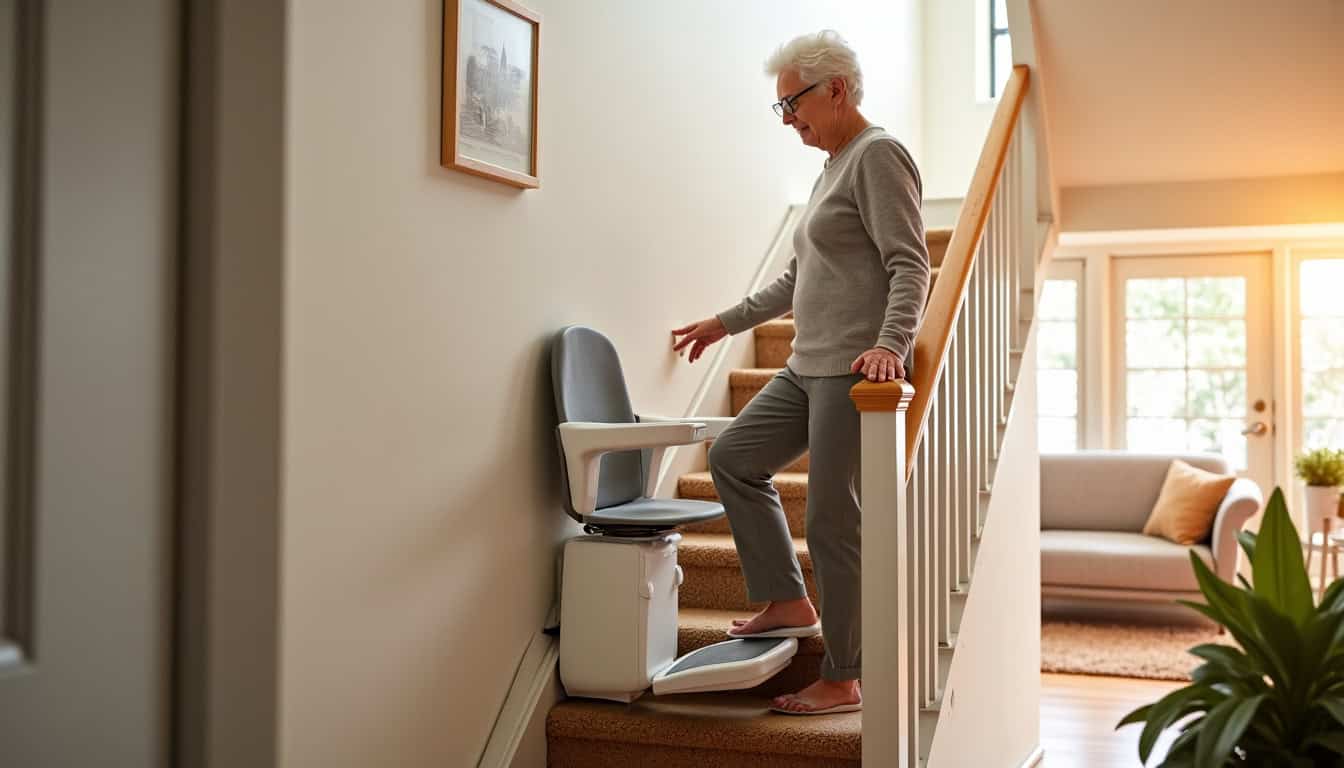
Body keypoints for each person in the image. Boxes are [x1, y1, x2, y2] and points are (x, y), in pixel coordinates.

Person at [671, 30, 930, 715]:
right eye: (781, 108)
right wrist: (723, 323)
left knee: (832, 521)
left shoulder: (877, 156)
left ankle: (845, 677)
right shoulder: (831, 168)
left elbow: (911, 263)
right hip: (803, 364)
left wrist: (891, 345)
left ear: (837, 89)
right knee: (732, 457)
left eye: (793, 104)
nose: (789, 120)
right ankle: (788, 599)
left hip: (850, 369)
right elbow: (798, 276)